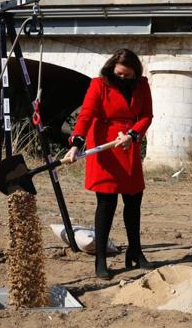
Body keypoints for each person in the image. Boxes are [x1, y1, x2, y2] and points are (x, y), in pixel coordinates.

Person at [64, 48, 153, 279]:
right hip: (105, 147)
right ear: (112, 68)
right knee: (107, 205)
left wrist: (133, 135)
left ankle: (135, 251)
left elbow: (146, 116)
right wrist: (76, 144)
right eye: (119, 74)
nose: (123, 78)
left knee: (134, 201)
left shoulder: (142, 85)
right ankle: (100, 259)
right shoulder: (99, 84)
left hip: (128, 145)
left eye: (127, 76)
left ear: (135, 73)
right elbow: (86, 115)